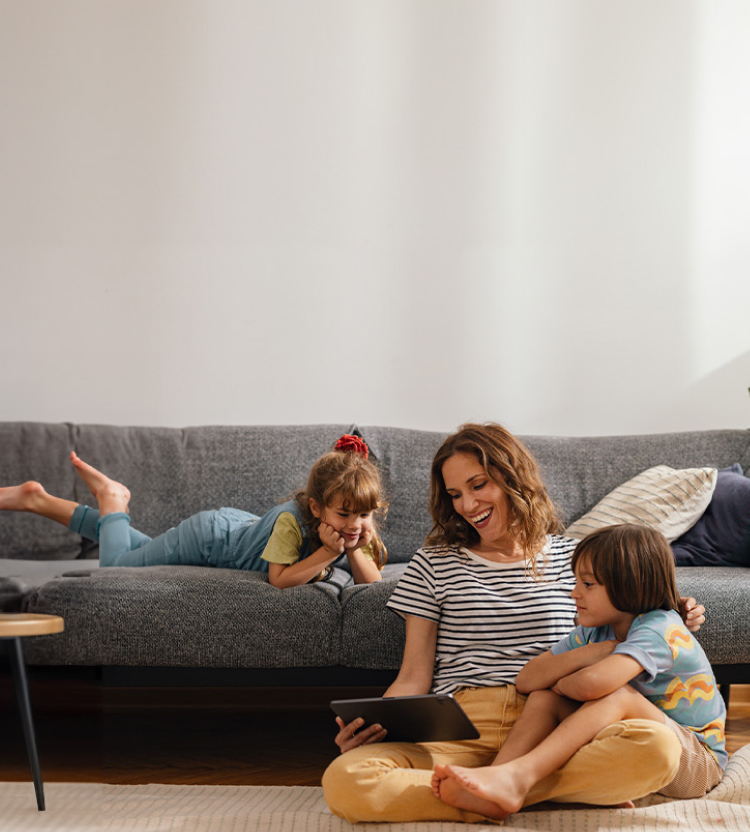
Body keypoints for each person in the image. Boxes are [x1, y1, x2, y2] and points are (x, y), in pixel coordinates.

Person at [322, 422, 706, 823]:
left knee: (658, 748)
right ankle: (529, 791)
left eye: (478, 485)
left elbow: (629, 623)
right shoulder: (432, 562)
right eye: (455, 494)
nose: (468, 505)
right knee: (347, 778)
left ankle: (499, 786)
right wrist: (378, 724)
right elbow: (414, 676)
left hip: (557, 722)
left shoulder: (576, 559)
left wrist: (672, 613)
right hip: (461, 724)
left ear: (512, 477)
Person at [431, 523, 725, 820]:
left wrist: (563, 681)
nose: (574, 593)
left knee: (618, 696)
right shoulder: (594, 633)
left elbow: (591, 686)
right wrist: (595, 652)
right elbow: (527, 679)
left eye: (588, 585)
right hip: (633, 740)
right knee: (544, 698)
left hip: (695, 760)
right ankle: (498, 779)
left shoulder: (660, 628)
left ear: (629, 584)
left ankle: (521, 776)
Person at [0, 434, 386, 589]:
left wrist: (353, 549)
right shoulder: (292, 521)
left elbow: (372, 585)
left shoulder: (353, 529)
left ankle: (38, 500)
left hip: (232, 528)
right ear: (317, 507)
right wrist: (328, 553)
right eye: (344, 515)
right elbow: (280, 580)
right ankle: (113, 498)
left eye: (364, 516)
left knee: (137, 550)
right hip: (209, 539)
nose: (354, 525)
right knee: (116, 566)